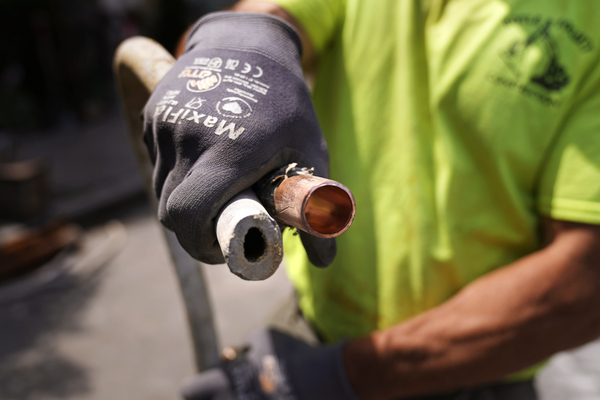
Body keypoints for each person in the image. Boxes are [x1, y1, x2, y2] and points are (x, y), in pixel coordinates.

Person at [142, 0, 600, 398]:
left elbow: (585, 280)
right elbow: (272, 14)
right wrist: (240, 47)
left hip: (471, 374)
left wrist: (342, 377)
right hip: (310, 328)